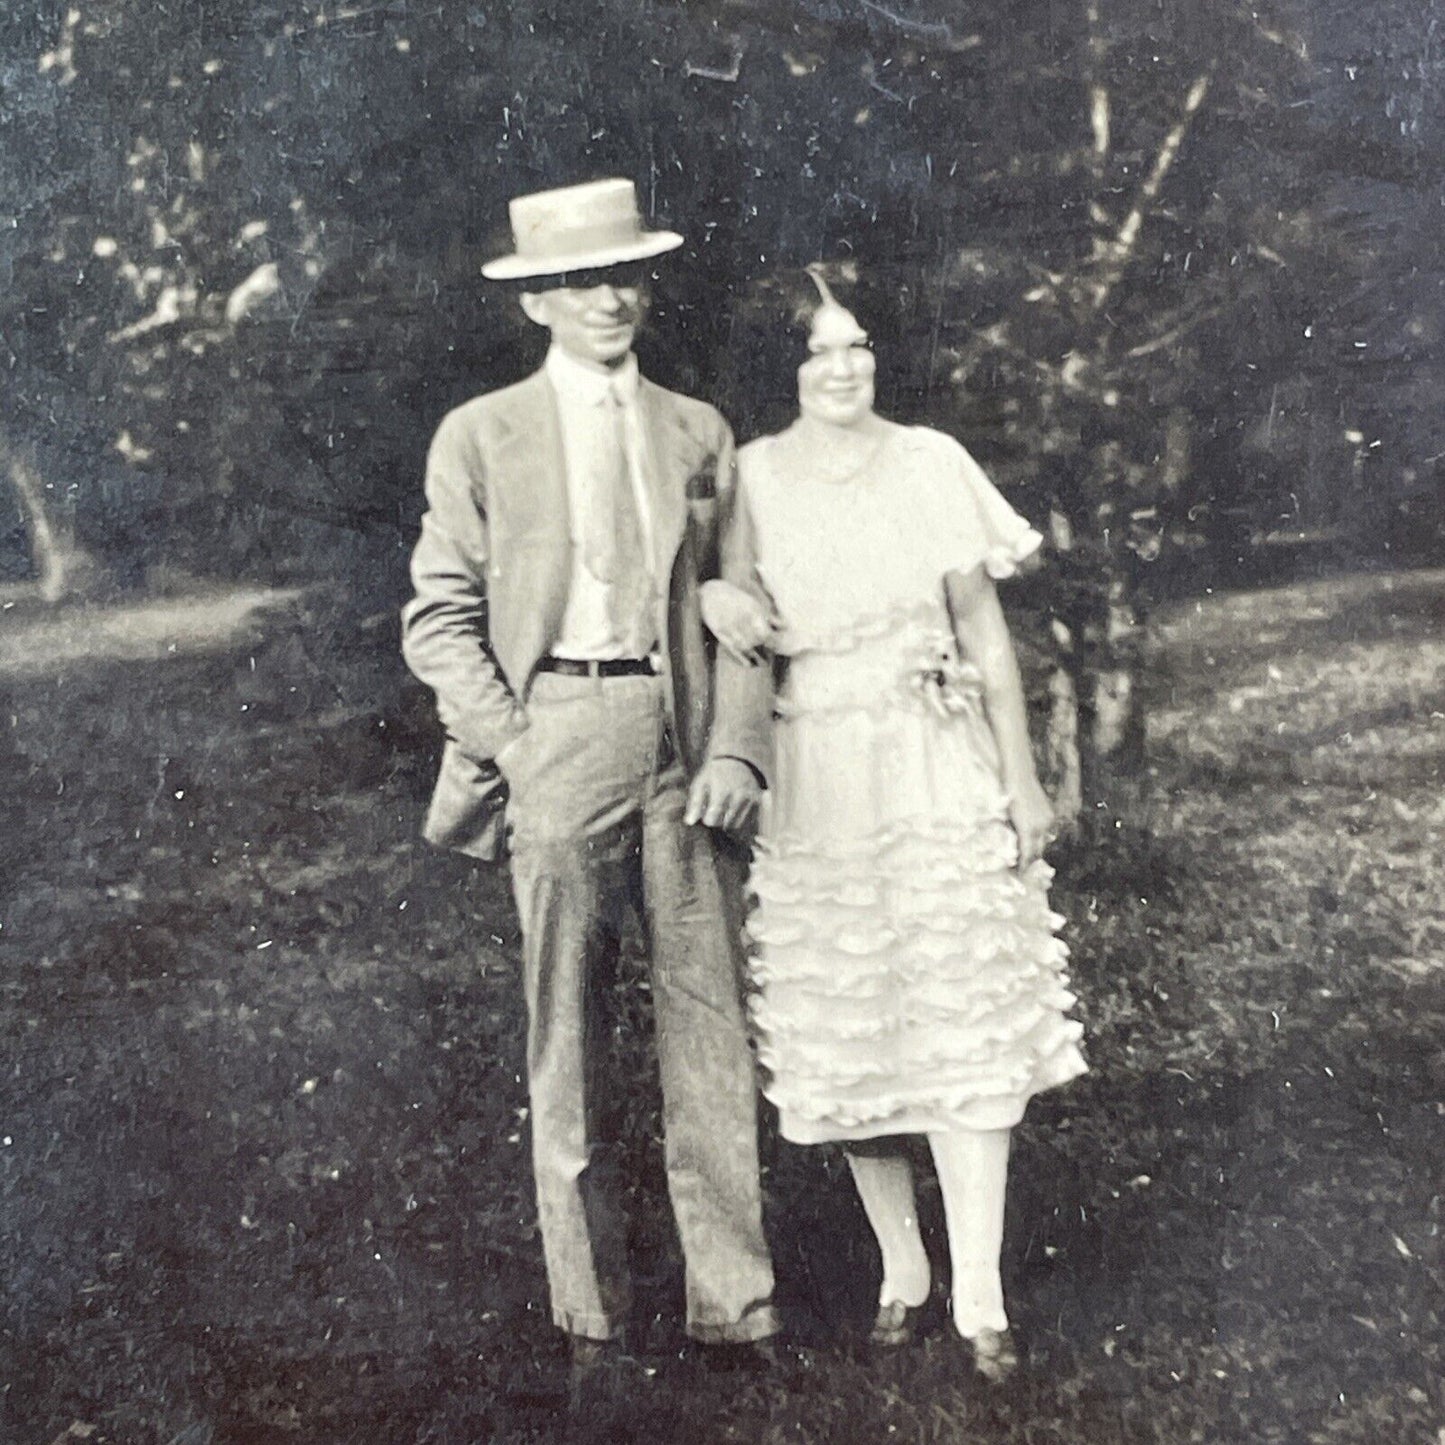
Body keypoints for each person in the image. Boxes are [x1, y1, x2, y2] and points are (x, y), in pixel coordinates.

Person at [401, 179, 780, 1390]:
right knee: (564, 1026)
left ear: (645, 287)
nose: (604, 297)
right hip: (555, 722)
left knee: (709, 1018)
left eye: (621, 275)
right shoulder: (481, 433)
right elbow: (438, 617)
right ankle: (593, 1315)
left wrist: (735, 748)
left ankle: (736, 1304)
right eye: (576, 280)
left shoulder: (697, 429)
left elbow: (744, 609)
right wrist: (512, 747)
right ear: (535, 303)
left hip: (682, 732)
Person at [703, 268, 1087, 1381]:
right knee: (853, 1019)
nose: (842, 365)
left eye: (857, 344)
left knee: (958, 1004)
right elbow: (690, 591)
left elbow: (984, 631)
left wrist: (1018, 781)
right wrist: (703, 599)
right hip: (815, 768)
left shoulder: (928, 460)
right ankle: (899, 1267)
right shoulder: (747, 480)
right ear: (781, 368)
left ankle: (978, 1289)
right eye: (817, 349)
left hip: (930, 758)